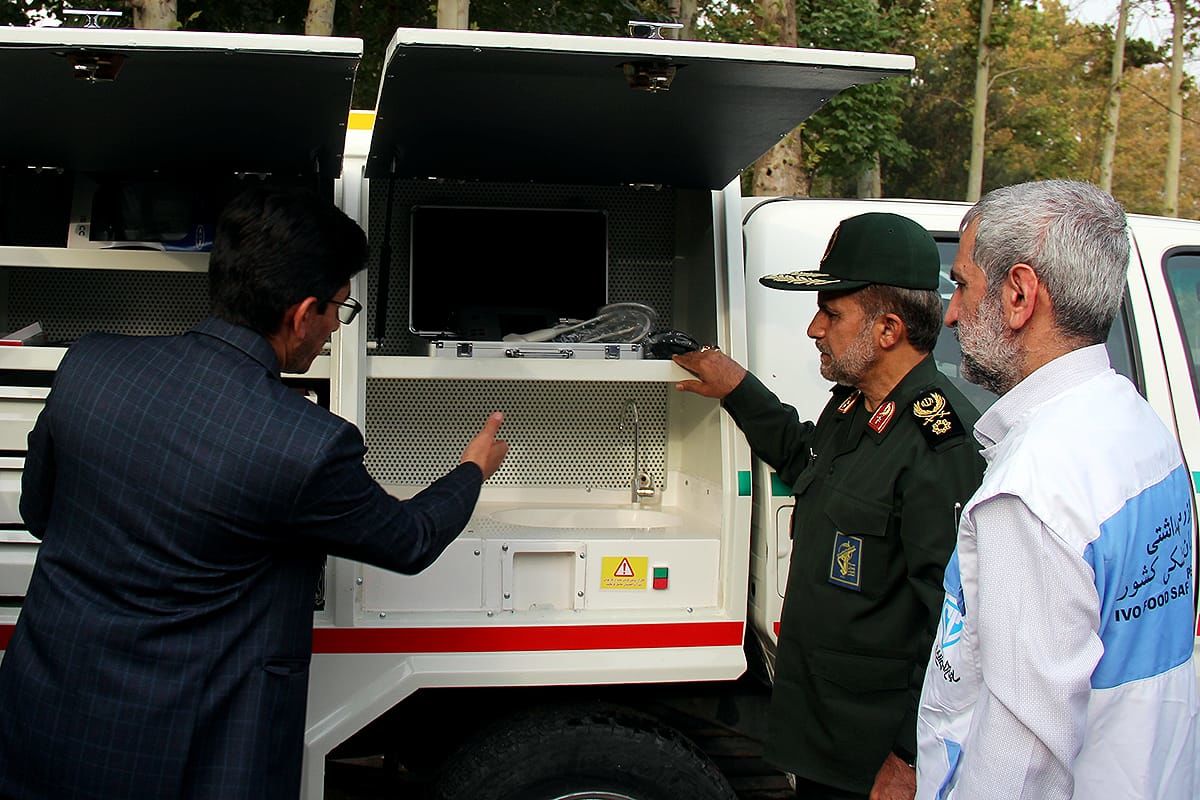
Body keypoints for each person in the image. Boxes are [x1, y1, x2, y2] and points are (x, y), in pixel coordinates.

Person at [0, 186, 509, 800]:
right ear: (301, 314)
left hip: (39, 717)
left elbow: (38, 512)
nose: (331, 329)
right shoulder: (305, 444)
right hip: (183, 753)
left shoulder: (91, 366)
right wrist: (473, 469)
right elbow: (410, 540)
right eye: (336, 311)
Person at [674, 212, 985, 800]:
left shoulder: (937, 445)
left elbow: (954, 626)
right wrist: (737, 386)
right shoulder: (853, 408)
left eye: (832, 313)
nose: (815, 328)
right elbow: (801, 459)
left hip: (870, 764)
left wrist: (909, 759)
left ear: (889, 328)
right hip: (823, 739)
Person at [916, 180, 1199, 799]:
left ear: (1019, 294)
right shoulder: (1138, 428)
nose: (953, 312)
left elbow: (1022, 761)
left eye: (962, 284)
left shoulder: (1034, 488)